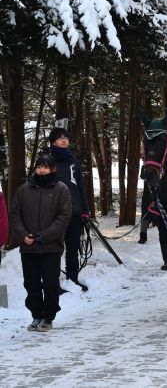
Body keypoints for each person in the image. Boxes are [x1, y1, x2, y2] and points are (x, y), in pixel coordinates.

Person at [10, 154, 72, 332]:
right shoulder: (24, 190)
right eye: (38, 167)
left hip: (51, 246)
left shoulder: (61, 189)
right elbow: (15, 215)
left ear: (52, 169)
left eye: (45, 167)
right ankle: (36, 315)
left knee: (50, 283)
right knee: (31, 283)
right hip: (28, 247)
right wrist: (23, 236)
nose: (41, 170)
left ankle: (48, 317)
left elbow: (63, 218)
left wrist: (42, 236)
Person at [48, 128, 90, 287]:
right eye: (60, 138)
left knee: (73, 249)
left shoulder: (73, 161)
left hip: (75, 213)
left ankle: (72, 279)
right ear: (53, 142)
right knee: (54, 249)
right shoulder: (48, 161)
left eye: (66, 137)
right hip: (55, 214)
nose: (64, 140)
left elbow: (80, 187)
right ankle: (54, 282)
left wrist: (85, 210)